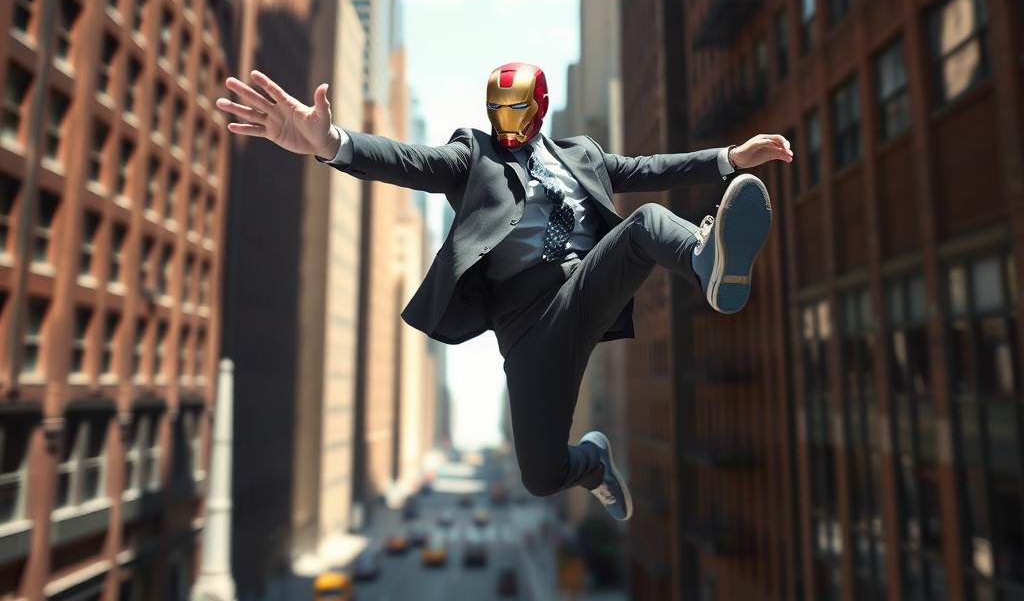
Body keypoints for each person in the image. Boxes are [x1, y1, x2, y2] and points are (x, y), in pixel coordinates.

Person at [218, 63, 794, 521]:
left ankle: (705, 258)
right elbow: (407, 161)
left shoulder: (584, 155)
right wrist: (332, 142)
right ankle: (593, 464)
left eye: (516, 107)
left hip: (584, 285)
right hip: (526, 325)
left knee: (644, 223)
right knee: (541, 476)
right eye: (497, 108)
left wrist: (728, 159)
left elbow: (646, 168)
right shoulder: (475, 155)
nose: (506, 117)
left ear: (539, 108)